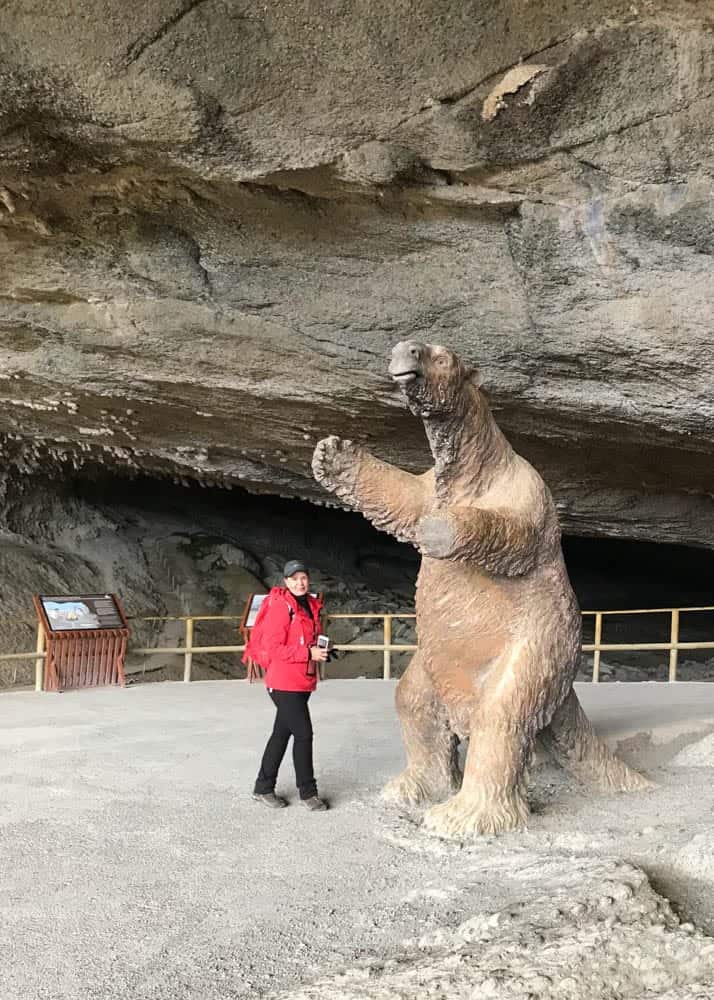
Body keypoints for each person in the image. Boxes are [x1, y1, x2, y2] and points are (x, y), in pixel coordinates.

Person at [249, 560, 330, 811]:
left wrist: (324, 649)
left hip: (301, 681)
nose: (299, 583)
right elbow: (274, 648)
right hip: (284, 682)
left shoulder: (310, 605)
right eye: (294, 579)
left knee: (281, 734)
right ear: (286, 582)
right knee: (304, 734)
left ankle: (263, 787)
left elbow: (308, 638)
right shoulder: (281, 607)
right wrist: (308, 654)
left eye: (303, 577)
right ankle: (308, 793)